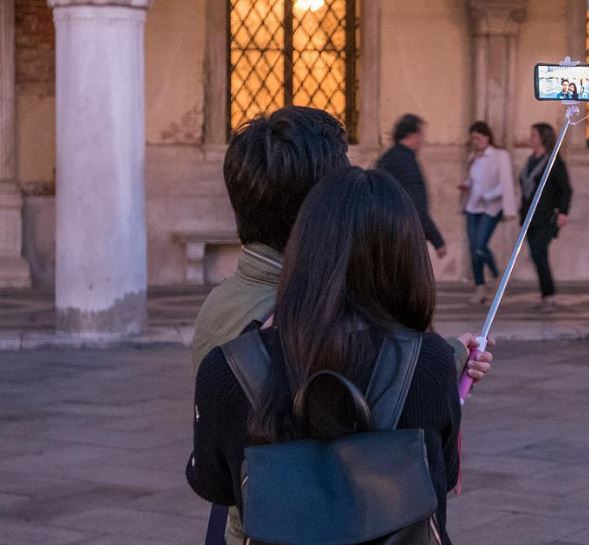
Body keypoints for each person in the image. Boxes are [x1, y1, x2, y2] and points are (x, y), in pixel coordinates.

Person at [191, 107, 494, 545]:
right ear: (323, 211)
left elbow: (213, 476)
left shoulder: (221, 306)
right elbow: (392, 423)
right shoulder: (294, 318)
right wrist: (439, 361)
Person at [460, 121, 516, 305]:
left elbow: (505, 183)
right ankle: (480, 288)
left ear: (487, 136)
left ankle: (495, 273)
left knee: (479, 244)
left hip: (490, 207)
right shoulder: (473, 157)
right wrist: (466, 185)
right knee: (473, 249)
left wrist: (487, 195)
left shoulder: (500, 155)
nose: (476, 142)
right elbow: (472, 179)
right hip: (472, 207)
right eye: (473, 139)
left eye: (478, 137)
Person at [377, 114, 447, 258]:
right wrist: (437, 240)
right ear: (411, 135)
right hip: (401, 233)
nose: (422, 139)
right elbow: (415, 203)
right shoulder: (404, 162)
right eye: (420, 134)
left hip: (387, 231)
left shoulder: (389, 158)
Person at [519, 122, 572, 310]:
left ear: (543, 138)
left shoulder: (554, 161)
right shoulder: (531, 160)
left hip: (546, 216)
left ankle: (549, 295)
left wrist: (563, 212)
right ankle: (545, 294)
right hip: (530, 216)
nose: (530, 138)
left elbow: (565, 189)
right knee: (536, 254)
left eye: (534, 135)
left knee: (539, 252)